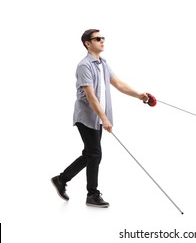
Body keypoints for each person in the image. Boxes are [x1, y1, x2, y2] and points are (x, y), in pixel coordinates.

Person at [51, 29, 149, 208]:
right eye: (97, 39)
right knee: (95, 153)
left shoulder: (103, 63)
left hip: (98, 118)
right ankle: (91, 194)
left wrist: (138, 95)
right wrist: (104, 119)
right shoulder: (84, 66)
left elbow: (118, 84)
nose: (102, 41)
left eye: (103, 38)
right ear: (88, 43)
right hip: (87, 117)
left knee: (91, 154)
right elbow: (90, 96)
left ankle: (63, 179)